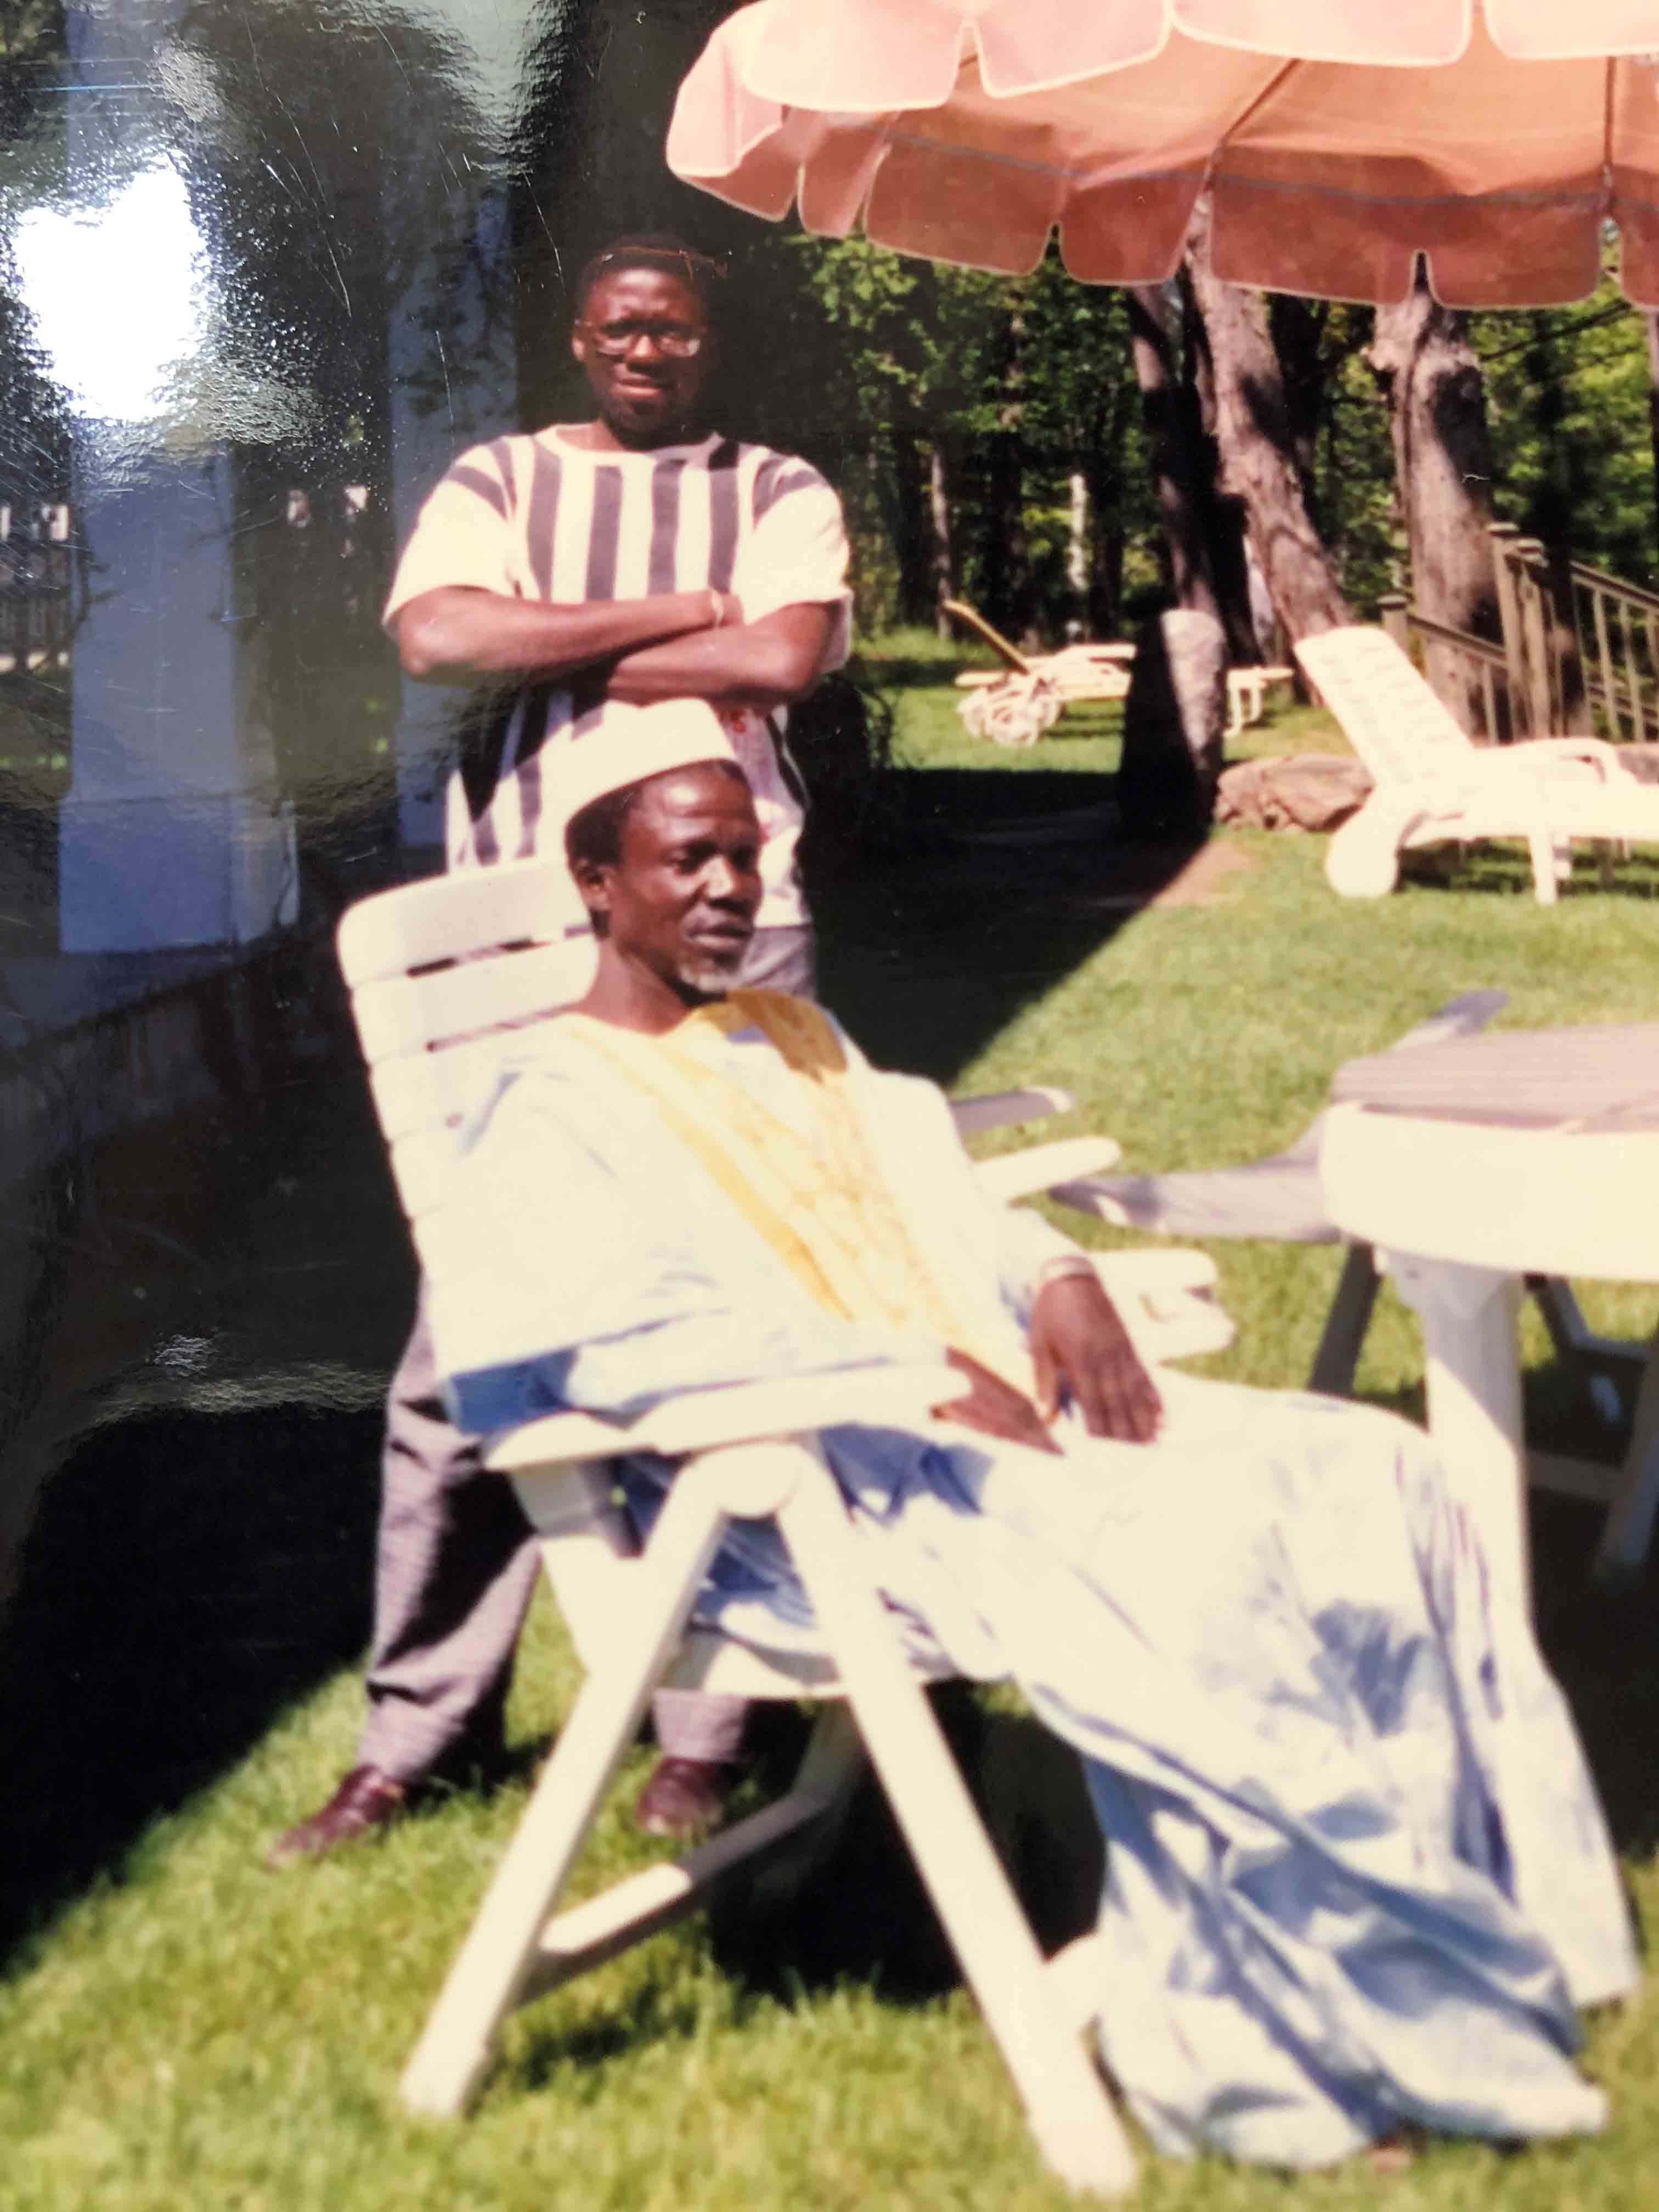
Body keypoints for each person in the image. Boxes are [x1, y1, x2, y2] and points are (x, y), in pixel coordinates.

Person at [426, 703, 1637, 2171]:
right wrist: (891, 1370)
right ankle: (1284, 2051)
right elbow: (600, 1337)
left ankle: (1479, 1932)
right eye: (688, 859)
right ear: (597, 882)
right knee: (1197, 1566)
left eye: (744, 855)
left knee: (1370, 1471)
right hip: (801, 1498)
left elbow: (936, 1196)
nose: (728, 887)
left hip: (988, 1417)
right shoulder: (538, 1102)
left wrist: (1055, 1278)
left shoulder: (785, 1034)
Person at [266, 234, 851, 1868]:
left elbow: (784, 659)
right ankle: (417, 1736)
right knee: (473, 1343)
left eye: (676, 327)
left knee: (726, 1315)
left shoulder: (781, 482)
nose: (649, 351)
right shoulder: (500, 475)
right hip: (512, 942)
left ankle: (711, 1727)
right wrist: (677, 613)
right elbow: (442, 637)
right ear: (583, 341)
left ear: (708, 340)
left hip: (741, 925)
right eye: (622, 328)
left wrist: (563, 639)